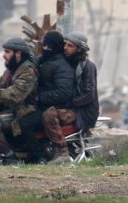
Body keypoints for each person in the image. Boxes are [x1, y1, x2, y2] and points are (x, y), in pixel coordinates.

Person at [0, 38, 38, 164]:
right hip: (8, 111)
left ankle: (11, 157)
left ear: (18, 53)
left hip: (22, 113)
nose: (4, 55)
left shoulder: (28, 71)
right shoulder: (11, 70)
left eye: (7, 52)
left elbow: (15, 94)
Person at [41, 32, 99, 164]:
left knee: (49, 115)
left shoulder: (87, 66)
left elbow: (89, 94)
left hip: (83, 111)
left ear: (79, 49)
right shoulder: (66, 63)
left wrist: (70, 103)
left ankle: (62, 152)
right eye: (65, 44)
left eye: (70, 45)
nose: (65, 47)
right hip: (71, 106)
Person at [18, 31, 75, 163]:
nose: (46, 49)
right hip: (39, 106)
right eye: (44, 46)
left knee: (25, 124)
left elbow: (63, 93)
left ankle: (38, 157)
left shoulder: (63, 67)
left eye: (49, 47)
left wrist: (40, 97)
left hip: (50, 108)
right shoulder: (42, 61)